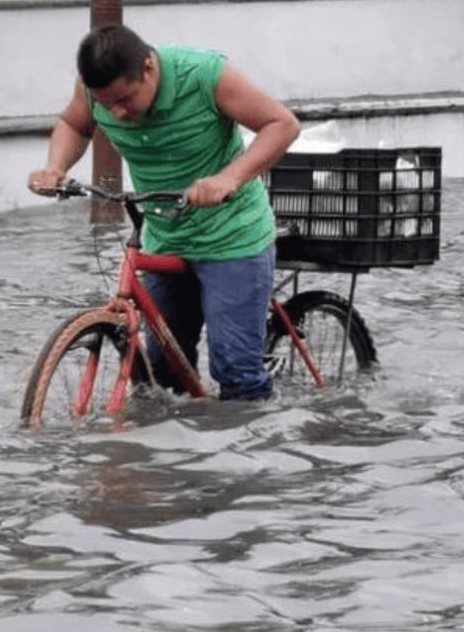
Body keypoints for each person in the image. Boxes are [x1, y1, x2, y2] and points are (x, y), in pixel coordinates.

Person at [28, 24, 300, 400]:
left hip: (231, 235)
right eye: (107, 105)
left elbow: (282, 124)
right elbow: (73, 124)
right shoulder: (94, 93)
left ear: (150, 67)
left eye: (125, 99)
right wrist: (56, 167)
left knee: (236, 373)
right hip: (164, 234)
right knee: (161, 375)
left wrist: (229, 179)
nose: (118, 114)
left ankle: (248, 453)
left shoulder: (206, 75)